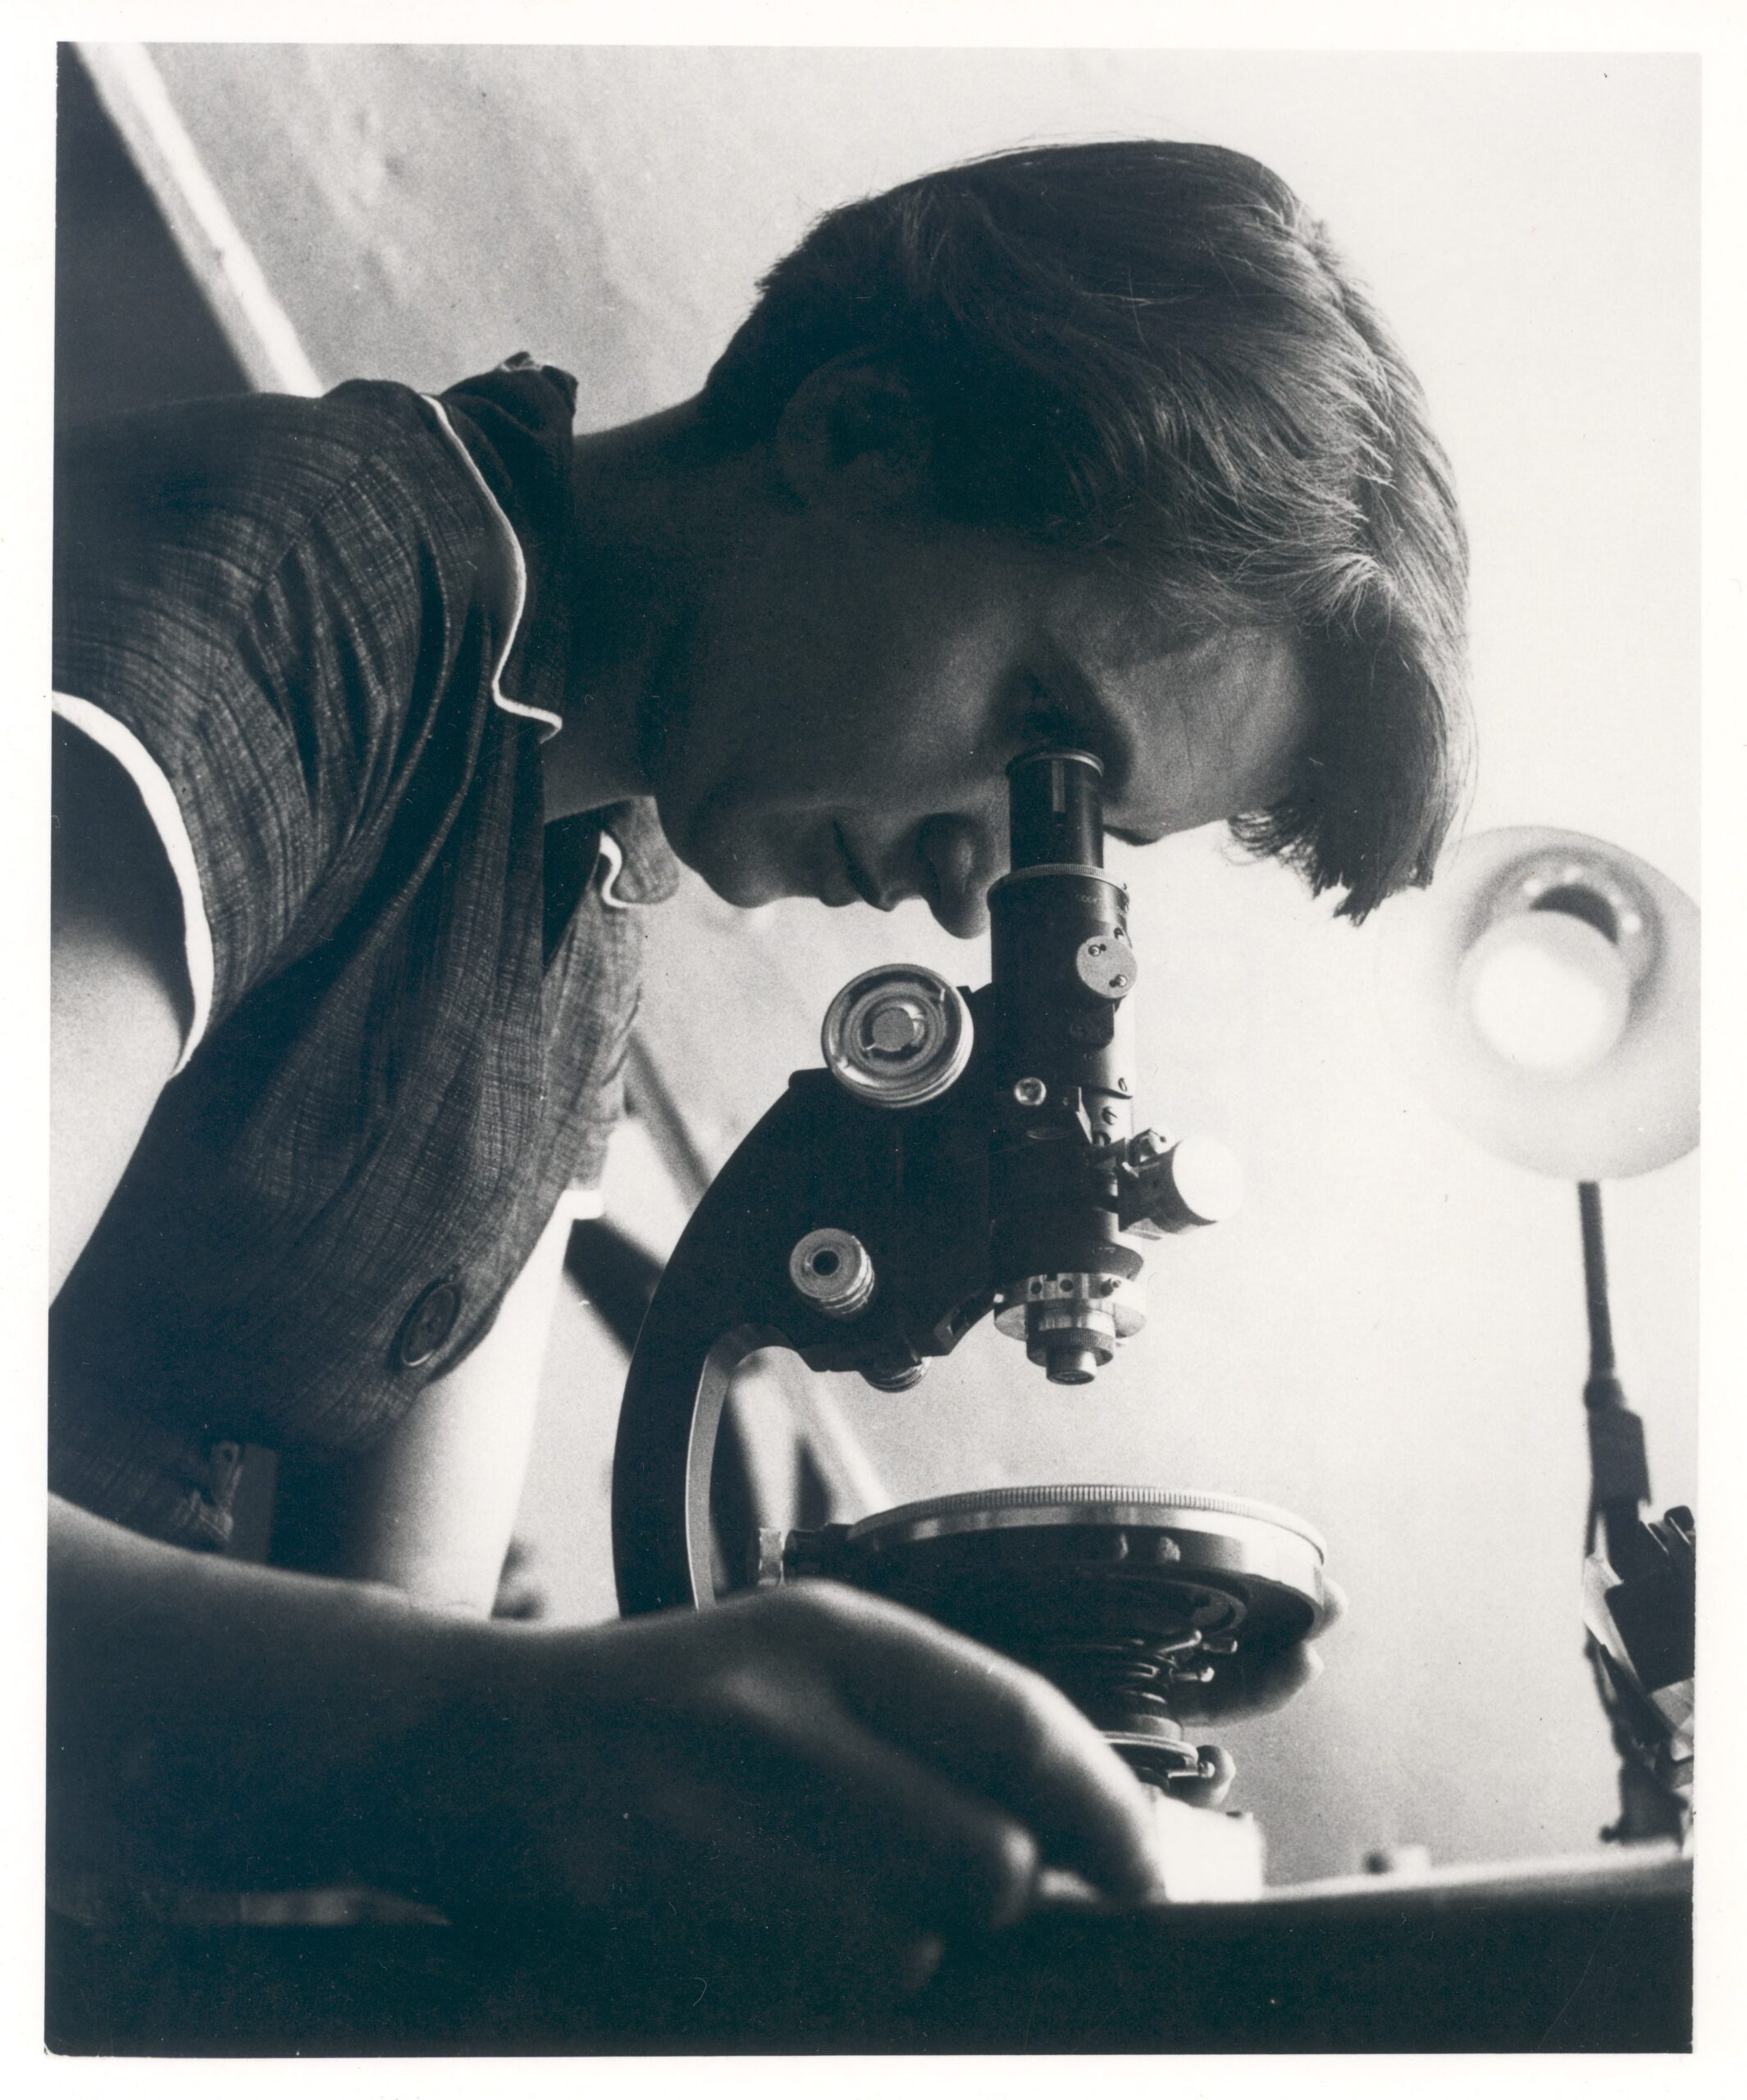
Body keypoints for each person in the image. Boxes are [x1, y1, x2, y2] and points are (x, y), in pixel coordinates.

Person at [49, 141, 1467, 1982]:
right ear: (856, 437)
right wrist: (515, 1747)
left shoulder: (582, 897)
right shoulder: (301, 583)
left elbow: (396, 1639)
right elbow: (447, 1730)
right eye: (1038, 738)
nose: (974, 889)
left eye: (1079, 841)